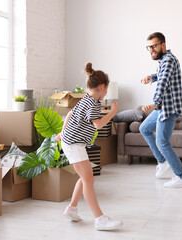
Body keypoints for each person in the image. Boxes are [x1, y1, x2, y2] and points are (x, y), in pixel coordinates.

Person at [55, 62, 123, 230]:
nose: (106, 93)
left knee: (85, 178)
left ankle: (71, 208)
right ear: (102, 86)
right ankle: (99, 219)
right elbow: (98, 125)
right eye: (106, 90)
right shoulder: (93, 103)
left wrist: (63, 133)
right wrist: (112, 112)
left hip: (71, 143)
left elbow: (70, 113)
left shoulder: (85, 99)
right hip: (73, 145)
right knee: (88, 179)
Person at [140, 32, 182, 188]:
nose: (151, 50)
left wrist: (155, 103)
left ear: (163, 45)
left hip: (167, 108)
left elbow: (163, 83)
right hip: (163, 106)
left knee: (162, 143)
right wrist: (151, 77)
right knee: (145, 128)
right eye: (149, 47)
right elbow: (161, 76)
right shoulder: (164, 60)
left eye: (154, 46)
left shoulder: (168, 60)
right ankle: (162, 162)